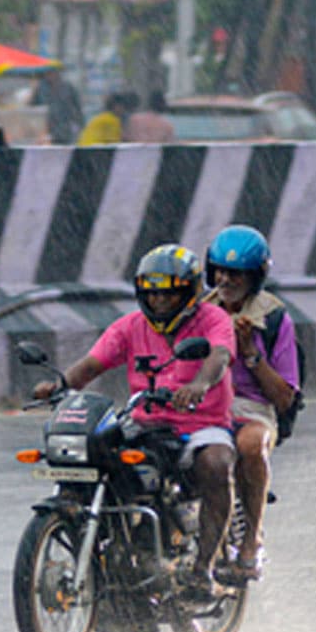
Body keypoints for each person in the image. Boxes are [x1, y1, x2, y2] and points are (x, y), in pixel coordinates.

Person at [31, 244, 237, 600]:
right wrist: (60, 386)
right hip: (145, 421)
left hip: (201, 424)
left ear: (188, 292)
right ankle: (124, 548)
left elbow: (218, 355)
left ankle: (203, 568)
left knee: (216, 465)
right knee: (98, 456)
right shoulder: (129, 327)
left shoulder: (213, 320)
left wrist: (200, 384)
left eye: (168, 293)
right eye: (152, 293)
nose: (158, 301)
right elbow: (93, 364)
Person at [204, 225, 300, 584]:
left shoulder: (274, 318)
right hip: (203, 403)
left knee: (248, 444)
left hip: (251, 407)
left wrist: (250, 354)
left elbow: (284, 397)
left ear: (255, 277)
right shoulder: (198, 312)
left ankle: (251, 539)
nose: (226, 280)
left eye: (236, 274)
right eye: (220, 271)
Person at [31, 70, 84, 145]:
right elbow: (32, 108)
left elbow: (77, 108)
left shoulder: (68, 87)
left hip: (65, 130)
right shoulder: (41, 88)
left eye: (52, 72)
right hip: (47, 130)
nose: (50, 75)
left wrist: (80, 125)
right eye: (48, 72)